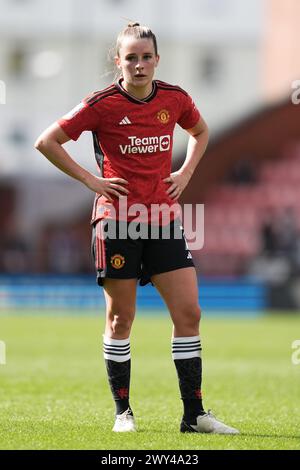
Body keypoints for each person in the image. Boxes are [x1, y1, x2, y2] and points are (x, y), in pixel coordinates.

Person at [34, 23, 239, 435]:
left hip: (163, 221)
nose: (139, 64)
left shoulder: (175, 99)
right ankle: (123, 413)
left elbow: (200, 131)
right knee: (120, 319)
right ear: (118, 61)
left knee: (189, 312)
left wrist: (185, 172)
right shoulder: (101, 104)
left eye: (146, 57)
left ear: (157, 60)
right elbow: (47, 141)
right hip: (117, 222)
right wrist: (91, 182)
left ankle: (194, 415)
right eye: (131, 57)